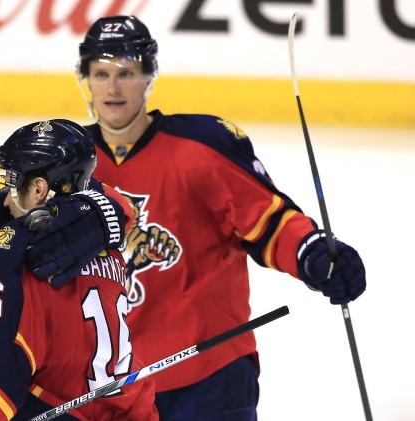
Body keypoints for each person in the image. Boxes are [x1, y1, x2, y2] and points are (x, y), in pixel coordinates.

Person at [33, 15, 365, 420]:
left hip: (211, 372)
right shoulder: (63, 163)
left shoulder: (203, 145)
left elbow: (270, 221)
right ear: (84, 77)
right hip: (108, 383)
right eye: (101, 73)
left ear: (149, 76)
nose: (113, 87)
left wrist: (311, 252)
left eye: (127, 73)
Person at [0, 119, 158, 421]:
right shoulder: (105, 246)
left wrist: (101, 206)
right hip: (135, 406)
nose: (3, 198)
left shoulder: (10, 260)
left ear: (37, 188)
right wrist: (102, 208)